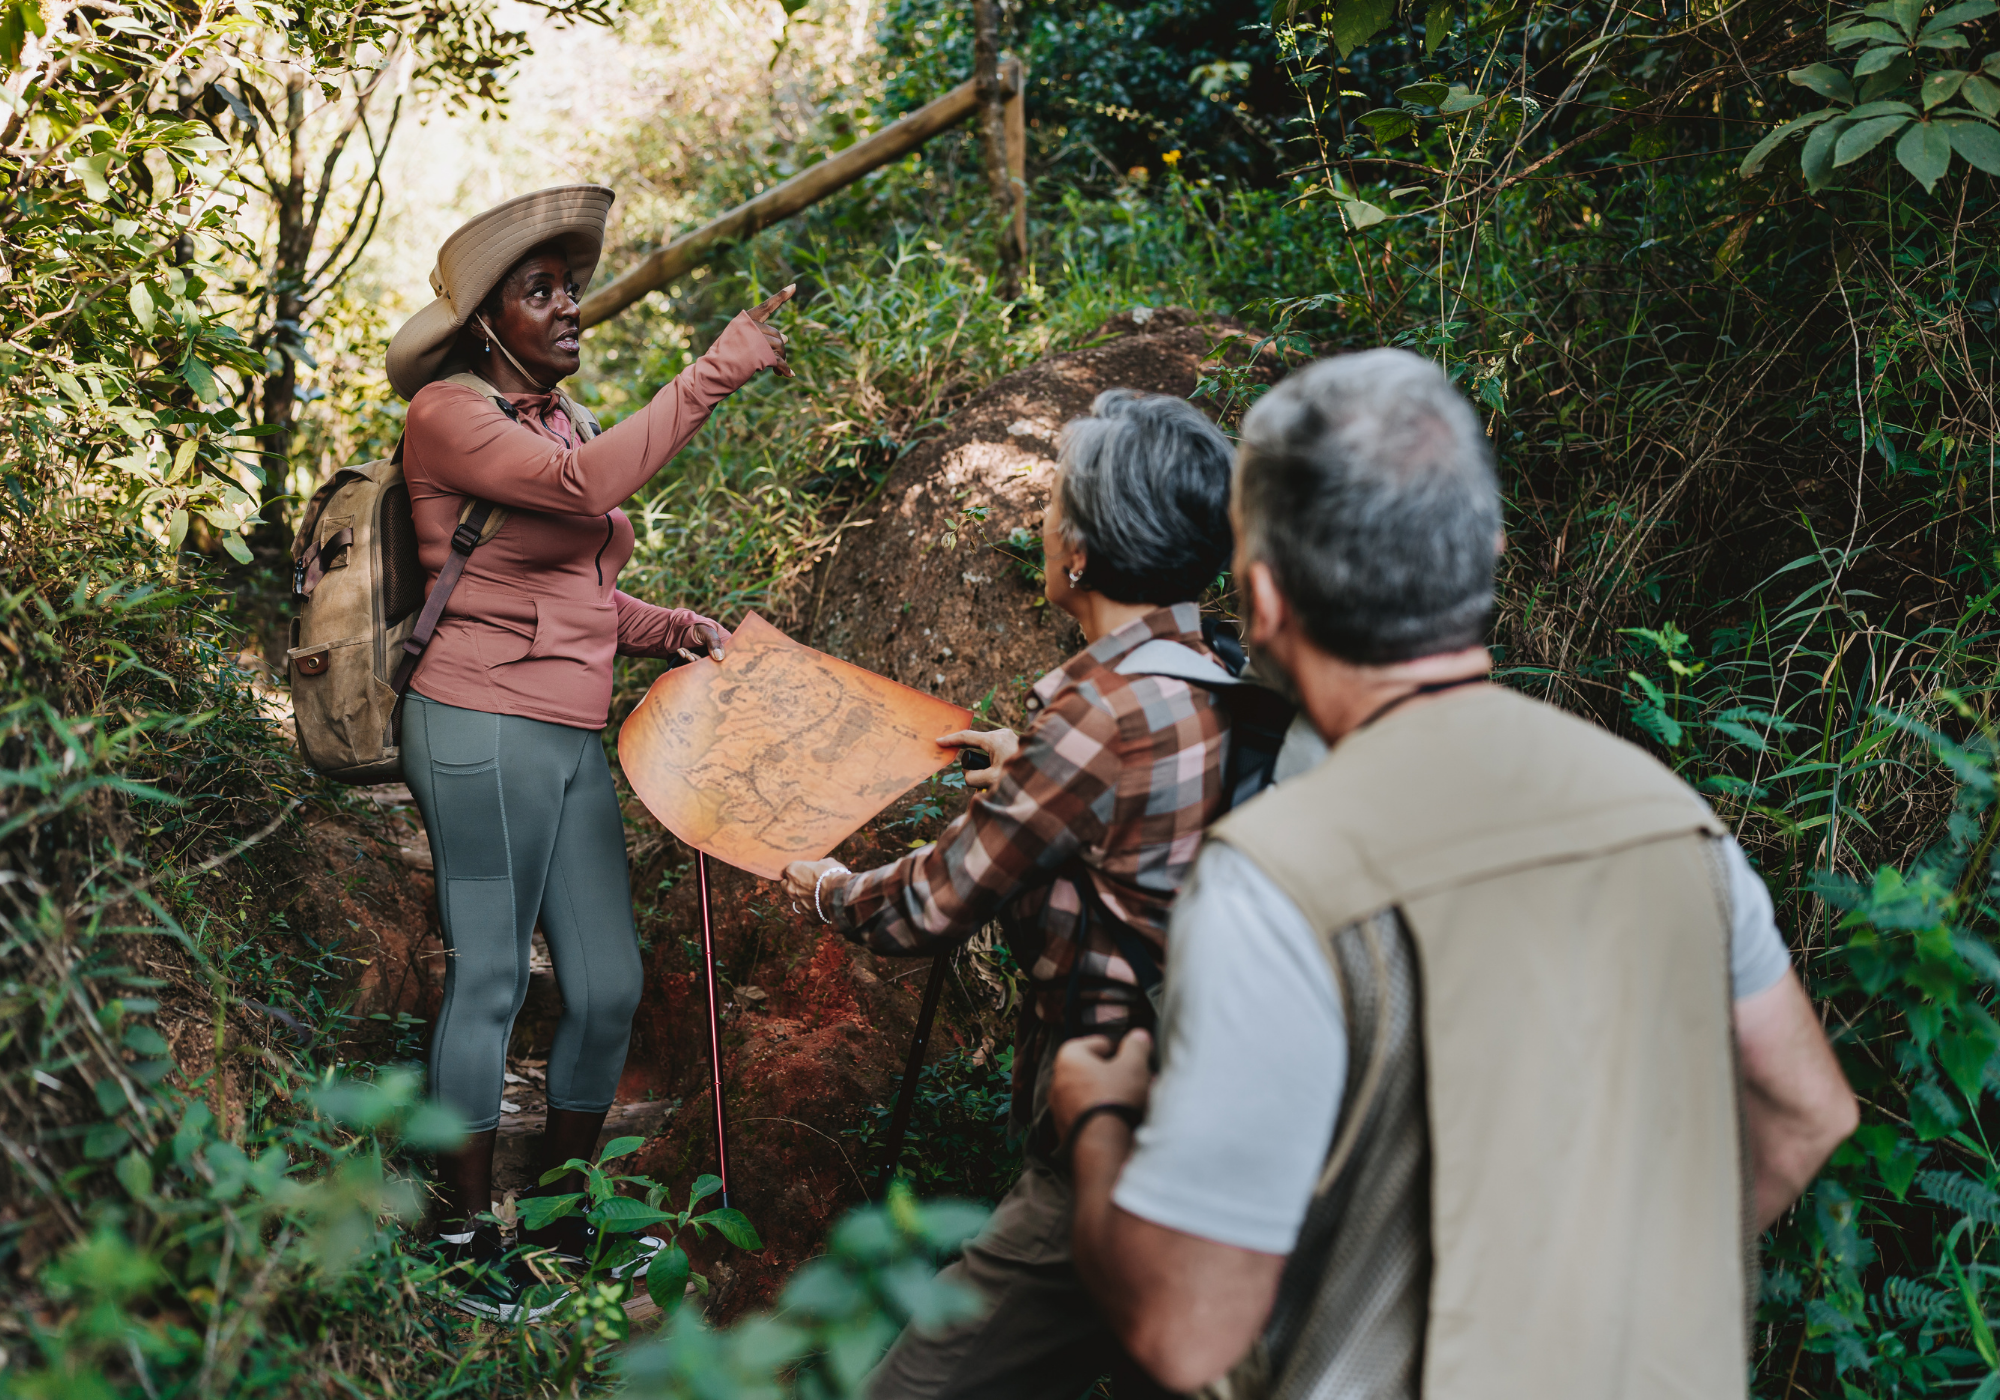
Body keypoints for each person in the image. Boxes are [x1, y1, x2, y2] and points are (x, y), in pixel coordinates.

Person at [1050, 349, 1860, 1399]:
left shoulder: (1277, 875)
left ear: (1260, 597)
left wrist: (1096, 1118)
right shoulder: (1671, 821)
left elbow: (1187, 1326)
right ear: (1484, 554)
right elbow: (1806, 1113)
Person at [382, 184, 793, 1322]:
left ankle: (561, 1214)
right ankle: (461, 1229)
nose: (570, 306)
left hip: (565, 730)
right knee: (495, 972)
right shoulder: (450, 416)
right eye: (540, 289)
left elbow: (577, 586)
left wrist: (669, 626)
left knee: (607, 982)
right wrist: (711, 371)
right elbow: (582, 495)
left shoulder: (558, 415)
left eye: (572, 285)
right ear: (484, 321)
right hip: (473, 717)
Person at [779, 390, 1238, 1399]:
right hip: (1194, 1111)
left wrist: (826, 885)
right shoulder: (1203, 675)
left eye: (1052, 507)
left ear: (1080, 549)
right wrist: (1025, 765)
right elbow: (1127, 826)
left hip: (1102, 1138)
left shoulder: (1101, 708)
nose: (1040, 525)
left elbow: (924, 906)